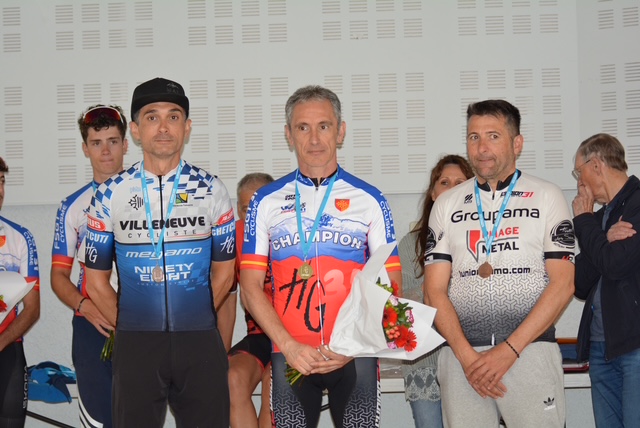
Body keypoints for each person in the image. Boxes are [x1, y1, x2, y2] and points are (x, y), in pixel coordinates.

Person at [240, 85, 402, 428]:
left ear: (340, 131)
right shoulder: (265, 201)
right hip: (291, 355)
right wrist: (288, 346)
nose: (314, 139)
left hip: (355, 354)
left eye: (324, 126)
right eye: (303, 127)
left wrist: (353, 345)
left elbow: (391, 283)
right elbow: (250, 287)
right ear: (289, 134)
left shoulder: (370, 199)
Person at [83, 77, 236, 427]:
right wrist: (132, 324)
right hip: (136, 343)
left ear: (187, 127)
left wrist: (195, 315)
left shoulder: (212, 189)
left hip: (199, 340)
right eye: (152, 117)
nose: (164, 127)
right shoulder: (109, 194)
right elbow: (95, 281)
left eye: (174, 117)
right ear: (136, 130)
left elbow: (225, 272)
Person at [424, 99, 575, 428]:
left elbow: (563, 284)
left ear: (517, 143)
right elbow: (434, 291)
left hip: (529, 353)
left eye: (493, 136)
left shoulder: (547, 196)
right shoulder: (446, 203)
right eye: (473, 137)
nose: (481, 148)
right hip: (463, 361)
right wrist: (467, 357)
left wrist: (508, 350)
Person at [51, 104, 128, 428]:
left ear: (126, 144)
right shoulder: (72, 207)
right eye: (97, 143)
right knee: (99, 421)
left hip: (139, 323)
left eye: (112, 141)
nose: (105, 150)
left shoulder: (150, 198)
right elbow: (58, 276)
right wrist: (84, 306)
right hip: (92, 325)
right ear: (85, 149)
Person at [399, 154, 473, 428]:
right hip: (424, 364)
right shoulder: (410, 244)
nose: (451, 189)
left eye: (460, 183)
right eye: (444, 182)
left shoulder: (483, 240)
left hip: (472, 361)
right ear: (433, 193)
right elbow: (402, 307)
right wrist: (434, 289)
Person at [571, 133, 640, 428]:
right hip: (601, 347)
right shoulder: (601, 218)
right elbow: (580, 283)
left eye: (579, 172)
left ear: (596, 165)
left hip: (634, 345)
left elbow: (614, 265)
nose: (579, 182)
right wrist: (602, 236)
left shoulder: (637, 203)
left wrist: (584, 222)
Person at [228, 172, 274, 428]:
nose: (254, 218)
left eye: (260, 207)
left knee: (274, 383)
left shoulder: (293, 232)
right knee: (232, 378)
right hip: (258, 335)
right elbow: (224, 297)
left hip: (293, 336)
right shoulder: (232, 236)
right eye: (247, 210)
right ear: (238, 210)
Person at [0, 156, 40, 427]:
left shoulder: (20, 238)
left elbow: (32, 309)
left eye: (1, 181)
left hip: (8, 349)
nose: (0, 190)